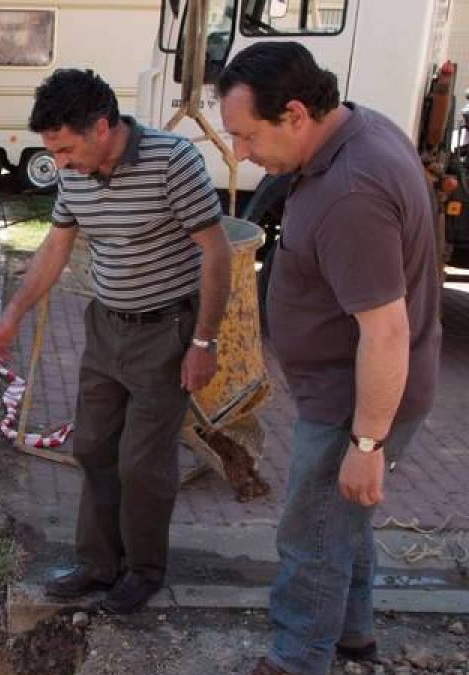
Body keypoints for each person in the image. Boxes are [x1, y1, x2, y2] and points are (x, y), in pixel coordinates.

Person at [216, 42, 441, 675]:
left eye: (245, 135)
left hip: (357, 401)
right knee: (343, 522)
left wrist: (367, 445)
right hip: (354, 392)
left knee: (312, 536)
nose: (238, 152)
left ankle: (295, 660)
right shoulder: (357, 128)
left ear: (293, 113)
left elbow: (386, 333)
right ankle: (353, 636)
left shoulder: (350, 193)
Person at [0, 69, 232, 614]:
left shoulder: (174, 160)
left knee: (142, 462)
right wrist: (13, 315)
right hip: (105, 325)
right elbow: (55, 249)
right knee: (94, 446)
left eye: (67, 149)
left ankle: (143, 570)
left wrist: (205, 342)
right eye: (55, 152)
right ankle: (97, 564)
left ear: (101, 127)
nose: (61, 162)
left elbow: (216, 253)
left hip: (168, 331)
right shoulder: (75, 174)